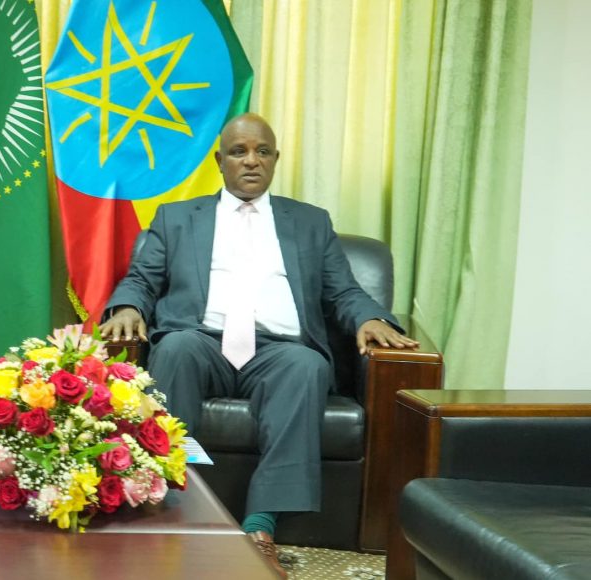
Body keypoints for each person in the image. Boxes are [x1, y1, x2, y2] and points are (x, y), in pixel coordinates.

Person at [100, 113, 417, 578]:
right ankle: (170, 512)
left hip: (278, 349)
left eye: (262, 152)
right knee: (175, 349)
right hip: (200, 340)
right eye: (239, 152)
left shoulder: (310, 222)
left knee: (306, 365)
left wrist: (370, 317)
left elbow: (343, 291)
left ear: (275, 159)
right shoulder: (177, 218)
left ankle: (260, 530)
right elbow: (142, 279)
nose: (251, 161)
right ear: (220, 161)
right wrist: (127, 307)